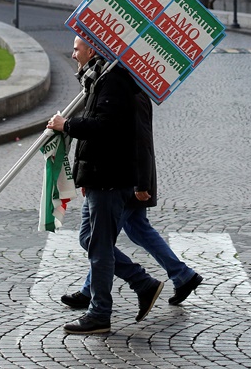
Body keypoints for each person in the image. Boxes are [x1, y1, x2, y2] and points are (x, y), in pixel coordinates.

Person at [47, 37, 164, 335]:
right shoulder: (99, 79)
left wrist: (67, 125)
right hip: (99, 177)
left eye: (76, 49)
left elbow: (106, 128)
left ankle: (100, 314)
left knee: (99, 249)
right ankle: (143, 283)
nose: (73, 55)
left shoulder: (112, 81)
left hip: (109, 179)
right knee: (90, 241)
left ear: (93, 50)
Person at [60, 88, 203, 310]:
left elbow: (142, 139)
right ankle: (183, 275)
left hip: (127, 180)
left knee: (98, 240)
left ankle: (114, 288)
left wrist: (141, 183)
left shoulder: (129, 94)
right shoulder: (126, 90)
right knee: (137, 230)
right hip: (129, 178)